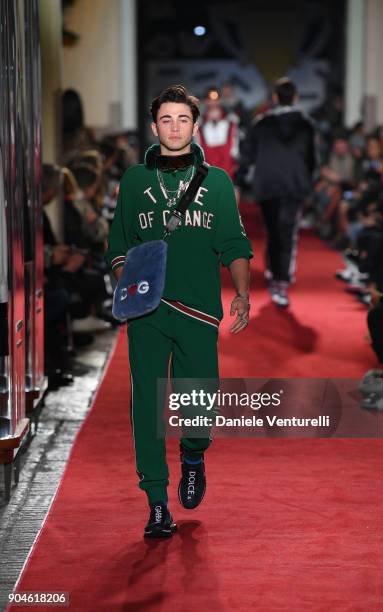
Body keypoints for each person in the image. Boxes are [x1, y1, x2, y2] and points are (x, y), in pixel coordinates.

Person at [105, 85, 253, 538]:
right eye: (166, 120)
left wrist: (243, 293)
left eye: (182, 120)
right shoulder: (133, 181)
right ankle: (155, 502)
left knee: (199, 403)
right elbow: (118, 244)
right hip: (148, 311)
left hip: (199, 311)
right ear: (154, 127)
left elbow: (233, 241)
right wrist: (124, 283)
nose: (174, 127)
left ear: (195, 125)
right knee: (146, 405)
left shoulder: (218, 182)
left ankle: (193, 453)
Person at [235, 77, 317, 307]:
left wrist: (239, 181)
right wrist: (307, 180)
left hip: (267, 184)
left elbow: (247, 155)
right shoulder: (306, 124)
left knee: (273, 230)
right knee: (287, 231)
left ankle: (275, 273)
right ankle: (280, 280)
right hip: (294, 184)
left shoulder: (260, 124)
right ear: (296, 97)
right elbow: (312, 159)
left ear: (274, 98)